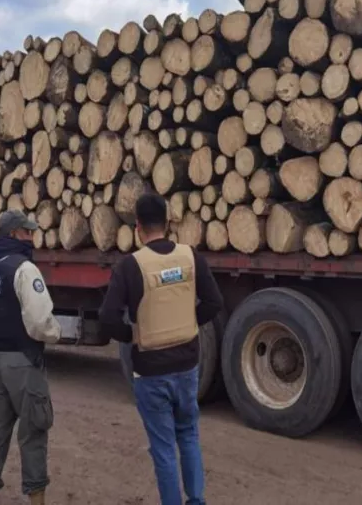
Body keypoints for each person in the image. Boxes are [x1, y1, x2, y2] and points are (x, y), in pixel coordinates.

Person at [98, 192, 224, 505]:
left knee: (164, 447)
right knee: (189, 435)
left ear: (138, 227)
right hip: (187, 364)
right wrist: (188, 320)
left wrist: (131, 335)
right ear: (167, 223)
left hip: (150, 370)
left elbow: (106, 319)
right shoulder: (190, 257)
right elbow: (214, 303)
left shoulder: (130, 266)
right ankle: (196, 500)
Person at [0, 210, 62, 505]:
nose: (31, 237)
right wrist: (55, 334)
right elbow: (39, 321)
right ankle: (36, 499)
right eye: (25, 232)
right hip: (23, 361)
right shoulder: (25, 269)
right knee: (33, 431)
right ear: (11, 235)